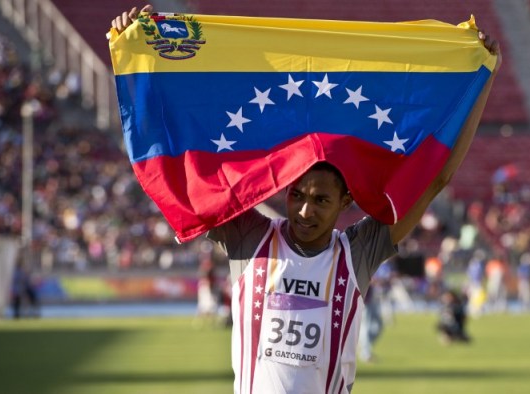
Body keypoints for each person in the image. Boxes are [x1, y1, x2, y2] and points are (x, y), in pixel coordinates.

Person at [112, 5, 501, 393]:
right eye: (296, 194)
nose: (304, 209)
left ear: (345, 201)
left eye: (320, 200)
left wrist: (483, 79)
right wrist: (136, 60)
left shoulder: (359, 252)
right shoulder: (249, 238)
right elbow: (176, 170)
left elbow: (437, 178)